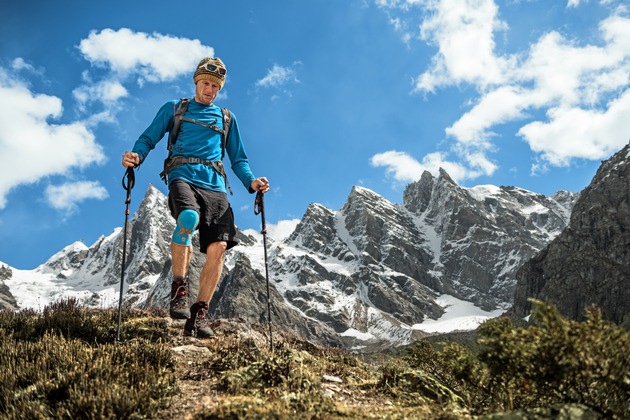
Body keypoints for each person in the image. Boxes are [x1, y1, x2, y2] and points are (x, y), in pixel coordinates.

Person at [122, 57, 269, 338]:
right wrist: (136, 156)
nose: (210, 90)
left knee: (219, 247)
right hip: (182, 176)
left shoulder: (227, 118)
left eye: (215, 86)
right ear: (195, 82)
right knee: (188, 217)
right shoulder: (175, 109)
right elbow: (148, 138)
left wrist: (252, 182)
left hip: (216, 187)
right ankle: (179, 290)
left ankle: (199, 313)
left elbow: (238, 158)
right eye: (206, 83)